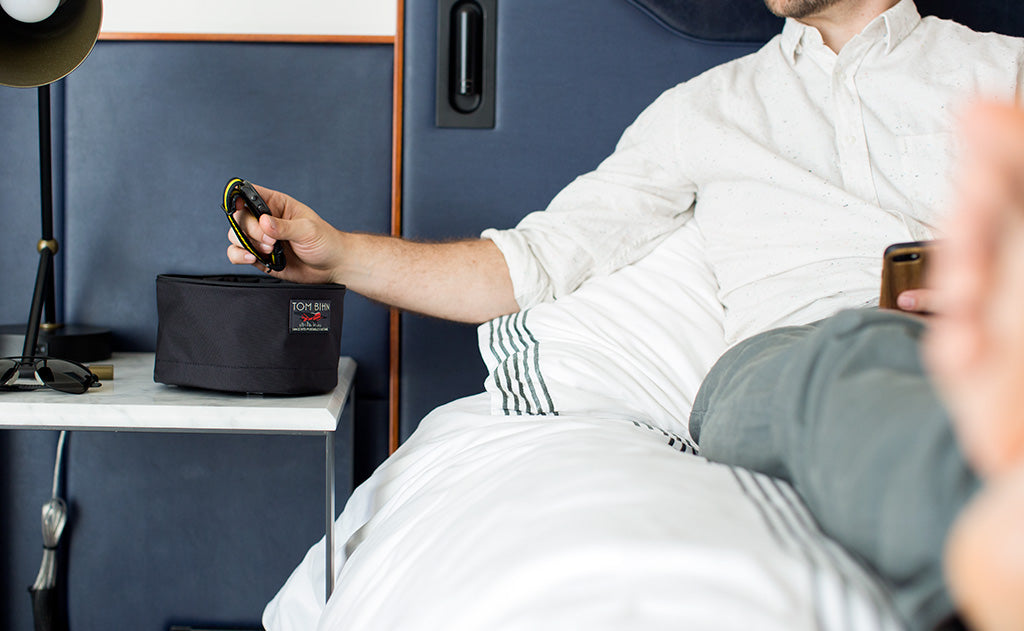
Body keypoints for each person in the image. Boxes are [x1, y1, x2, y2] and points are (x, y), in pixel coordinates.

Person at [228, 1, 1024, 628]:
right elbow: (524, 265)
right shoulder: (704, 111)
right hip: (782, 363)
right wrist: (339, 255)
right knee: (846, 361)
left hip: (984, 348)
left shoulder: (1001, 74)